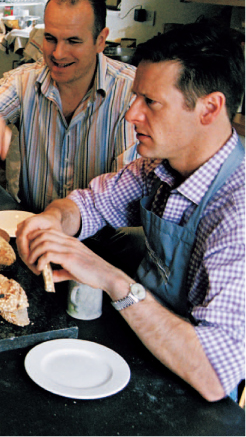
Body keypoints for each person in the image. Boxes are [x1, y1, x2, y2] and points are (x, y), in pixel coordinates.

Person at [16, 22, 245, 402]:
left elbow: (213, 375)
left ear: (210, 108)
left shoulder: (236, 216)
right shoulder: (159, 168)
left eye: (150, 102)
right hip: (141, 347)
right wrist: (53, 220)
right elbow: (89, 203)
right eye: (135, 97)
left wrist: (111, 278)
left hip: (186, 389)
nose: (131, 114)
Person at [0, 0, 138, 213]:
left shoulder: (132, 92)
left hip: (103, 244)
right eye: (50, 38)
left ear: (101, 40)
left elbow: (128, 191)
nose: (58, 53)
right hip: (31, 230)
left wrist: (64, 220)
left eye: (73, 41)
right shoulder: (26, 81)